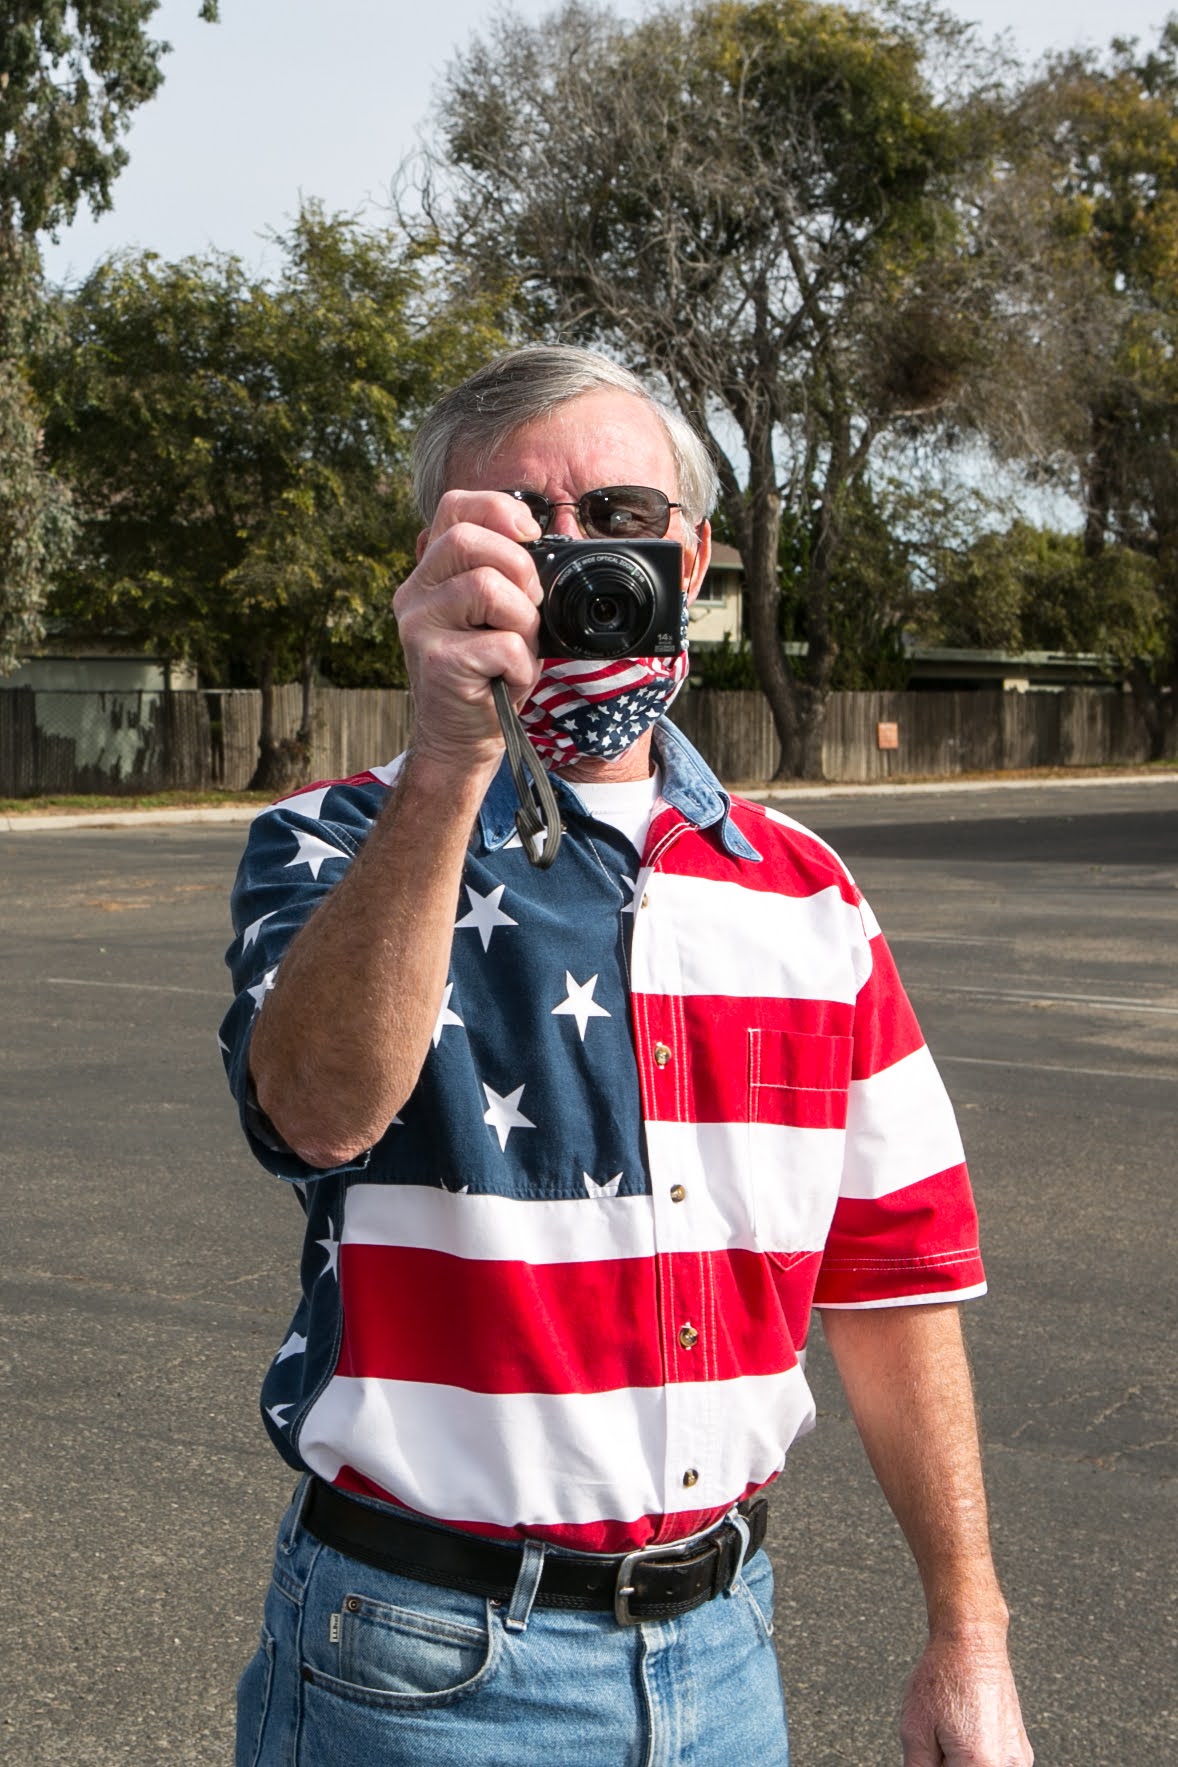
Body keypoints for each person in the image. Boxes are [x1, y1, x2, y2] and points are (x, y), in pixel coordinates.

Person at [220, 345, 1032, 1767]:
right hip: (420, 1668)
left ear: (694, 552)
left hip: (723, 1652)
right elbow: (313, 1110)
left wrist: (968, 1635)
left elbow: (894, 1281)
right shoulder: (338, 844)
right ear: (439, 565)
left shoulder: (806, 894)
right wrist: (452, 760)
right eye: (524, 526)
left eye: (619, 514)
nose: (580, 555)